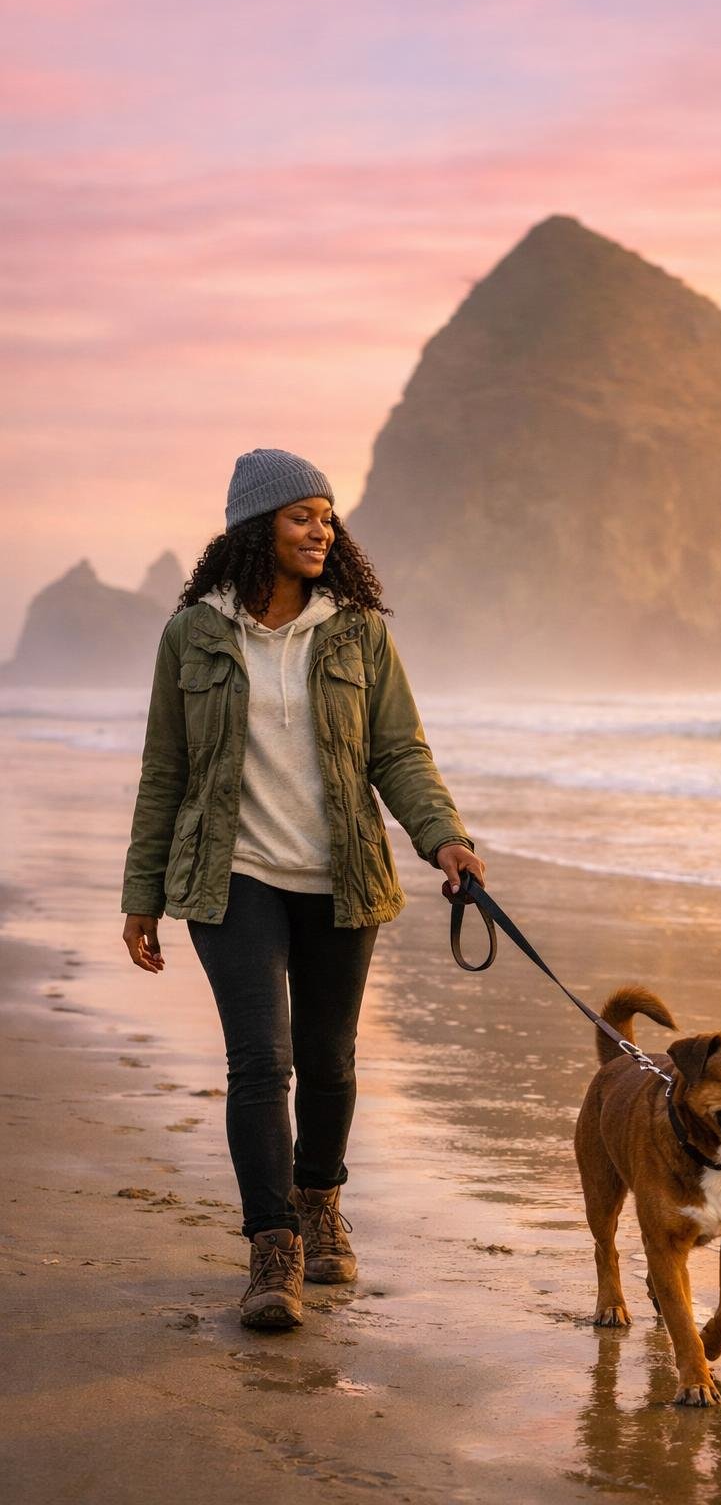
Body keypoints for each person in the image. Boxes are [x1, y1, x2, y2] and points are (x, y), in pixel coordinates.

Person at [121, 448, 486, 1330]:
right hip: (229, 874)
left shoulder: (357, 630)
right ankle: (272, 1248)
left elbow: (398, 751)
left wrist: (445, 839)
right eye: (301, 516)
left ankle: (321, 1201)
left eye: (327, 516)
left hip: (339, 876)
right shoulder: (194, 633)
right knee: (262, 1062)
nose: (322, 529)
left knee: (329, 1061)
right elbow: (165, 770)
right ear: (257, 529)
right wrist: (141, 894)